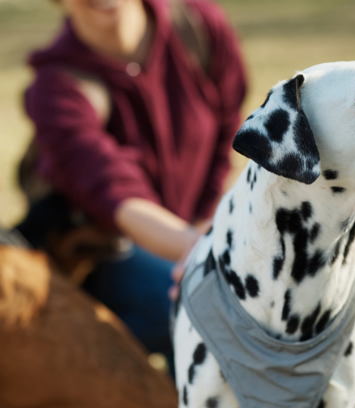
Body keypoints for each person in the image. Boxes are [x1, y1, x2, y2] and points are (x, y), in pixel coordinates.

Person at [20, 0, 246, 375]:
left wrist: (206, 222)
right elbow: (116, 194)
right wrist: (205, 249)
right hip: (106, 248)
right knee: (195, 306)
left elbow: (227, 128)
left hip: (189, 229)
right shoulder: (56, 85)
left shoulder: (200, 27)